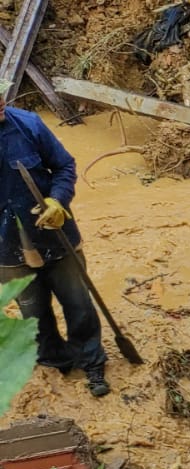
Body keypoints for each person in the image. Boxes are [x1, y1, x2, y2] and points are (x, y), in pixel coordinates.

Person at [0, 79, 109, 397]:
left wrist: (58, 200)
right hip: (6, 249)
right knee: (33, 313)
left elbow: (64, 166)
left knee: (78, 304)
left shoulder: (29, 125)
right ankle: (54, 362)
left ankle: (91, 361)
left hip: (54, 234)